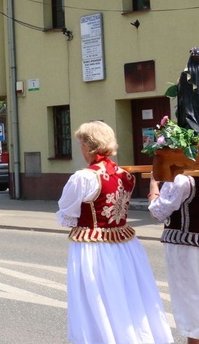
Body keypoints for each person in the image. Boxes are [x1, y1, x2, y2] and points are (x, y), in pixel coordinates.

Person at [56, 121, 172, 344]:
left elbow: (67, 212)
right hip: (125, 246)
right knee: (127, 294)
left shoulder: (84, 177)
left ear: (89, 146)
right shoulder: (125, 175)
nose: (80, 149)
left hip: (93, 247)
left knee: (96, 298)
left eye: (81, 144)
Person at [148, 173, 199, 343]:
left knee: (191, 305)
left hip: (187, 248)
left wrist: (154, 184)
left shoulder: (182, 179)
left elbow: (157, 211)